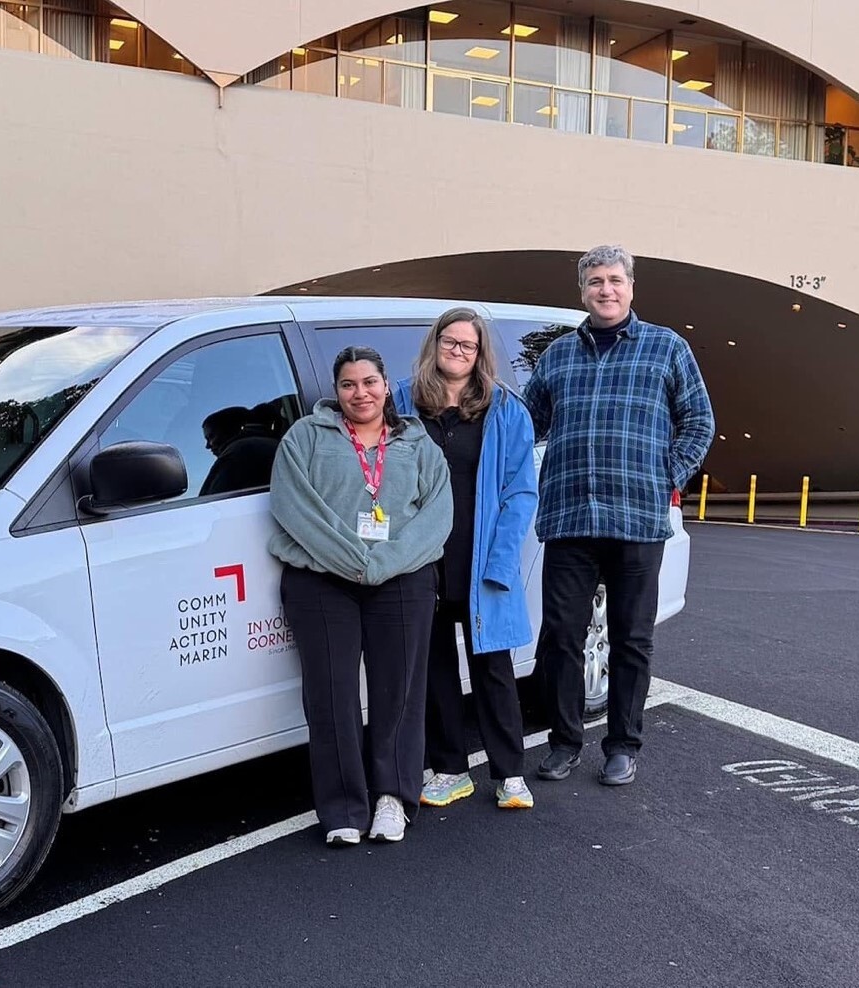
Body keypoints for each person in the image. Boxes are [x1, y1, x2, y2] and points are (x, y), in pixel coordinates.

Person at [523, 245, 714, 786]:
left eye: (614, 280)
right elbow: (527, 426)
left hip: (637, 519)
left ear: (631, 287)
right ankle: (563, 744)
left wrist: (666, 477)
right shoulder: (558, 355)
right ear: (581, 291)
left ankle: (623, 744)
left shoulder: (667, 347)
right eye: (594, 282)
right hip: (569, 519)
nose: (605, 290)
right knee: (561, 636)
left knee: (631, 637)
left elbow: (699, 422)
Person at [269, 346, 452, 846]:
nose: (360, 393)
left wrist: (384, 564)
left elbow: (436, 518)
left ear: (386, 385)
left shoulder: (417, 443)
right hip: (321, 581)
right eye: (349, 384)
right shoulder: (304, 438)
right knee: (330, 696)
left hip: (402, 578)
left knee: (400, 693)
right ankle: (343, 808)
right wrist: (357, 562)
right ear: (336, 391)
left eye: (369, 382)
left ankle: (393, 799)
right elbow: (294, 508)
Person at [393, 308, 538, 811]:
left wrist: (502, 561)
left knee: (493, 668)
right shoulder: (402, 402)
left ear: (480, 355)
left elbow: (521, 492)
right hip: (420, 560)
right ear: (434, 345)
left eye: (468, 345)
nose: (457, 351)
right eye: (449, 342)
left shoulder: (504, 409)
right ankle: (452, 769)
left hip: (480, 560)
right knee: (433, 670)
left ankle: (510, 774)